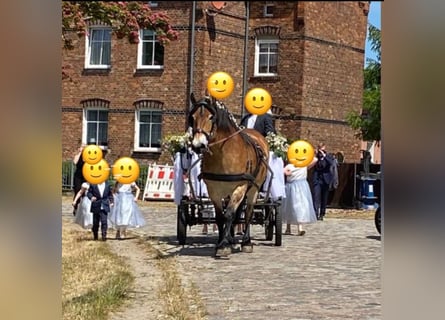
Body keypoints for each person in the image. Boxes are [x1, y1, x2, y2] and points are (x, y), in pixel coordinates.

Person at [282, 158, 318, 235]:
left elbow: (315, 159)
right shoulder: (290, 166)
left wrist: (309, 154)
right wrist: (287, 172)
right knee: (289, 206)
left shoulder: (303, 165)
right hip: (291, 187)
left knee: (300, 207)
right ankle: (288, 228)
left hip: (300, 188)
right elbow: (284, 171)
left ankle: (300, 228)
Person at [312, 142, 336, 221]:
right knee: (316, 197)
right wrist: (315, 155)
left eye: (322, 148)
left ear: (324, 148)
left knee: (324, 198)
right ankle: (315, 214)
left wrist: (324, 156)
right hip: (317, 180)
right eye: (319, 147)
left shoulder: (328, 156)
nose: (320, 150)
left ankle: (322, 214)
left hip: (325, 180)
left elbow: (331, 163)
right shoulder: (316, 157)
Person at [72, 144, 86, 215]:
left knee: (84, 192)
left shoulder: (88, 156)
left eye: (84, 147)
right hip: (78, 176)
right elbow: (75, 162)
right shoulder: (78, 156)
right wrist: (80, 152)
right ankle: (76, 206)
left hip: (85, 176)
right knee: (77, 190)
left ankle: (83, 208)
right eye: (82, 147)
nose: (83, 148)